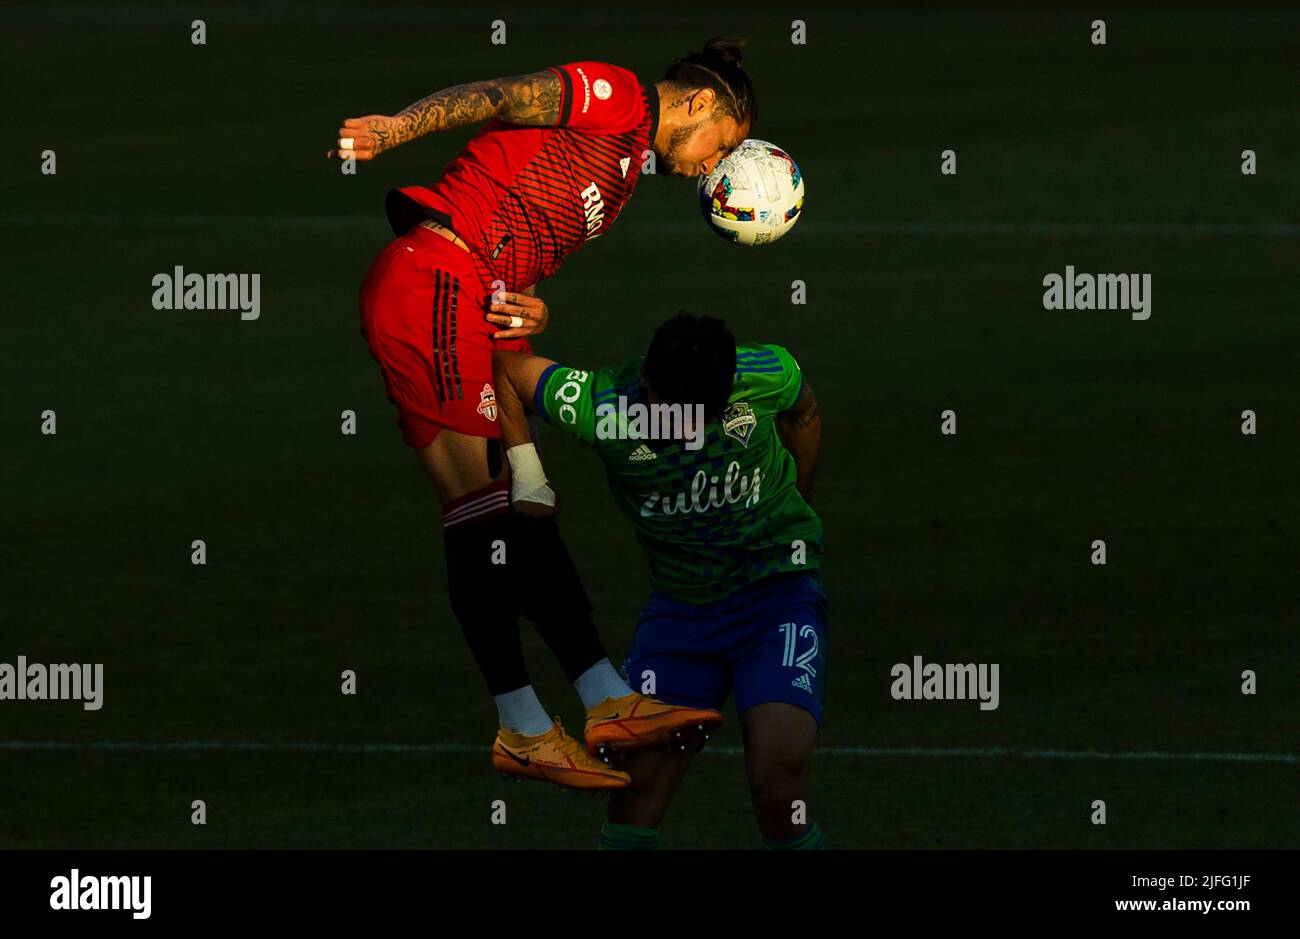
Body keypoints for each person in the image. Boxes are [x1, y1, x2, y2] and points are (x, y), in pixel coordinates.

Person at [328, 40, 758, 788]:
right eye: (720, 146)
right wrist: (396, 129)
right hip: (431, 278)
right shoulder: (617, 100)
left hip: (468, 301)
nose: (710, 168)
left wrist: (533, 310)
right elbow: (501, 94)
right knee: (481, 512)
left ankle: (605, 699)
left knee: (520, 510)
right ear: (697, 105)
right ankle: (523, 726)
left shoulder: (621, 179)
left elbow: (514, 263)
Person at [493, 312, 828, 847]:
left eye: (698, 418)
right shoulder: (603, 407)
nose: (684, 434)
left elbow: (804, 408)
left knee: (778, 783)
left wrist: (799, 500)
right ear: (645, 380)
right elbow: (509, 372)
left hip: (775, 598)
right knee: (636, 787)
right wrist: (528, 478)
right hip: (680, 615)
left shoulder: (765, 373)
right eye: (668, 415)